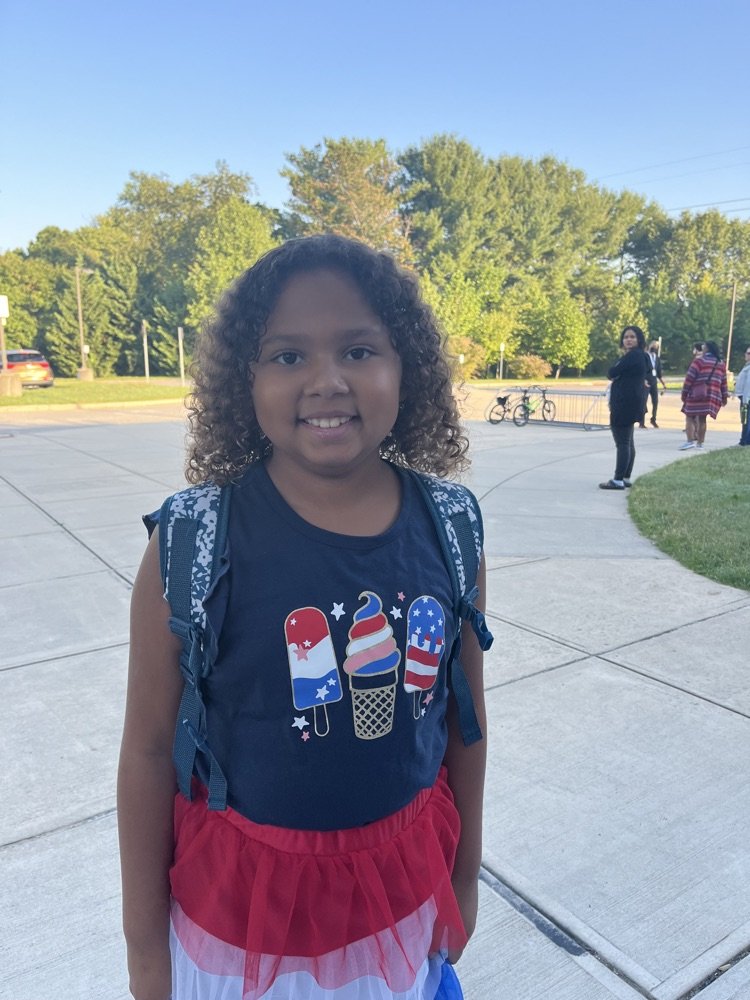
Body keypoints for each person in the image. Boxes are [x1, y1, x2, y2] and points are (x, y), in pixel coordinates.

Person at [117, 234, 488, 1000]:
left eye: (359, 350)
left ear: (404, 367)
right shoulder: (192, 537)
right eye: (287, 356)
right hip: (239, 921)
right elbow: (149, 752)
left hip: (403, 895)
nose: (326, 381)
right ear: (242, 383)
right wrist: (145, 952)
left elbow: (465, 718)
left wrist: (466, 877)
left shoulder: (452, 525)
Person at [599, 325, 651, 490]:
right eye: (626, 337)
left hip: (624, 403)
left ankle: (618, 479)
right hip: (635, 402)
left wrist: (616, 373)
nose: (628, 340)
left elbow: (611, 372)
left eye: (632, 337)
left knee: (622, 442)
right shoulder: (643, 356)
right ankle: (626, 476)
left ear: (639, 339)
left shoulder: (632, 356)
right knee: (628, 441)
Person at [679, 339, 728, 450]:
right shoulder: (720, 364)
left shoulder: (698, 362)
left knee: (689, 417)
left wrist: (684, 393)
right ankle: (700, 444)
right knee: (702, 419)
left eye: (704, 347)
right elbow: (723, 382)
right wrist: (724, 397)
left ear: (707, 349)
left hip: (696, 394)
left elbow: (689, 379)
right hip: (711, 396)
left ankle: (690, 441)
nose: (703, 348)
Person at [641, 340, 667, 428]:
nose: (654, 348)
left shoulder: (657, 358)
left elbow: (659, 372)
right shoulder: (645, 356)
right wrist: (643, 379)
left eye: (656, 346)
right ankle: (642, 421)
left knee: (655, 401)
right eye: (653, 346)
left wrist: (663, 383)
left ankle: (653, 419)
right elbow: (642, 369)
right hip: (646, 381)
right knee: (643, 401)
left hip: (653, 381)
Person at [734, 346, 750, 446]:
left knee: (746, 421)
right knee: (744, 420)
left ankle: (745, 441)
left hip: (747, 398)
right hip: (744, 397)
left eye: (749, 353)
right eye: (747, 353)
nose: (746, 355)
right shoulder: (747, 366)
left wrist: (746, 399)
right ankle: (744, 440)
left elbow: (748, 384)